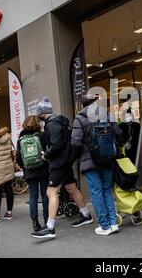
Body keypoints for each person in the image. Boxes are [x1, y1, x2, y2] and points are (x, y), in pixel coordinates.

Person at [32, 97, 92, 239]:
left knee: (51, 192)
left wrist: (46, 155)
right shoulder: (59, 122)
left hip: (58, 163)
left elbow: (56, 145)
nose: (37, 115)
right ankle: (86, 215)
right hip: (66, 162)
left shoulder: (51, 125)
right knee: (71, 187)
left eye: (38, 112)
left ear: (42, 113)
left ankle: (50, 228)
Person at [71, 95, 123, 236]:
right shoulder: (106, 114)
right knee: (107, 189)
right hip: (107, 157)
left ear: (83, 104)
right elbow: (119, 133)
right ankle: (113, 223)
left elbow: (76, 142)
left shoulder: (80, 118)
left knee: (96, 192)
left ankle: (104, 226)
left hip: (90, 161)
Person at [16, 116, 50, 232]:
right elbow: (48, 151)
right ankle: (47, 221)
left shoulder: (20, 139)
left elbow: (18, 158)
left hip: (29, 171)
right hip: (43, 168)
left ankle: (35, 223)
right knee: (45, 194)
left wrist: (25, 168)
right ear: (38, 124)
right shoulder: (42, 135)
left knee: (33, 196)